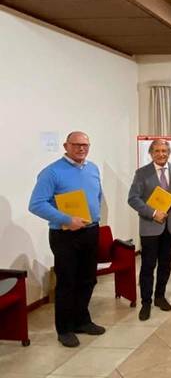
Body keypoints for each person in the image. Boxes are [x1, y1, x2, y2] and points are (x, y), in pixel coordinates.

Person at [28, 131, 106, 347]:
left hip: (90, 231)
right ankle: (64, 329)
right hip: (64, 235)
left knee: (88, 279)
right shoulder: (51, 172)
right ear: (66, 146)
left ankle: (82, 321)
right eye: (77, 144)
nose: (81, 149)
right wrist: (66, 219)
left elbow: (97, 196)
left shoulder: (92, 168)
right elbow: (36, 204)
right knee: (67, 282)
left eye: (85, 145)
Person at [128, 139, 171, 321]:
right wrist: (153, 213)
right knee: (148, 265)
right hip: (150, 226)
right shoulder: (142, 173)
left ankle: (160, 296)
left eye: (164, 151)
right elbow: (133, 198)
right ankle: (146, 302)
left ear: (169, 153)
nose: (161, 154)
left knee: (165, 264)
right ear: (151, 153)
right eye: (157, 151)